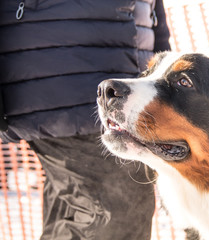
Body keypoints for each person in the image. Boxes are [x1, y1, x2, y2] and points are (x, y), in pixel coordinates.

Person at [0, 0, 170, 239]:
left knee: (82, 217)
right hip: (64, 86)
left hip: (121, 85)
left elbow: (153, 13)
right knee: (116, 215)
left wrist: (163, 72)